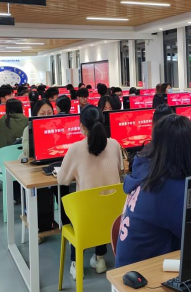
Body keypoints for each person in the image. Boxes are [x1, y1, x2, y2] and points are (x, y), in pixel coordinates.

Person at [115, 114, 191, 268]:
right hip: (144, 275)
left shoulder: (145, 170)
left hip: (128, 267)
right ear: (189, 149)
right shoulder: (169, 190)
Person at [58, 105, 124, 278]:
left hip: (86, 221)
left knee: (75, 207)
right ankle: (100, 259)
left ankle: (76, 263)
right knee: (102, 202)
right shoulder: (115, 144)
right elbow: (120, 170)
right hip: (112, 219)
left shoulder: (75, 149)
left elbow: (62, 180)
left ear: (81, 126)